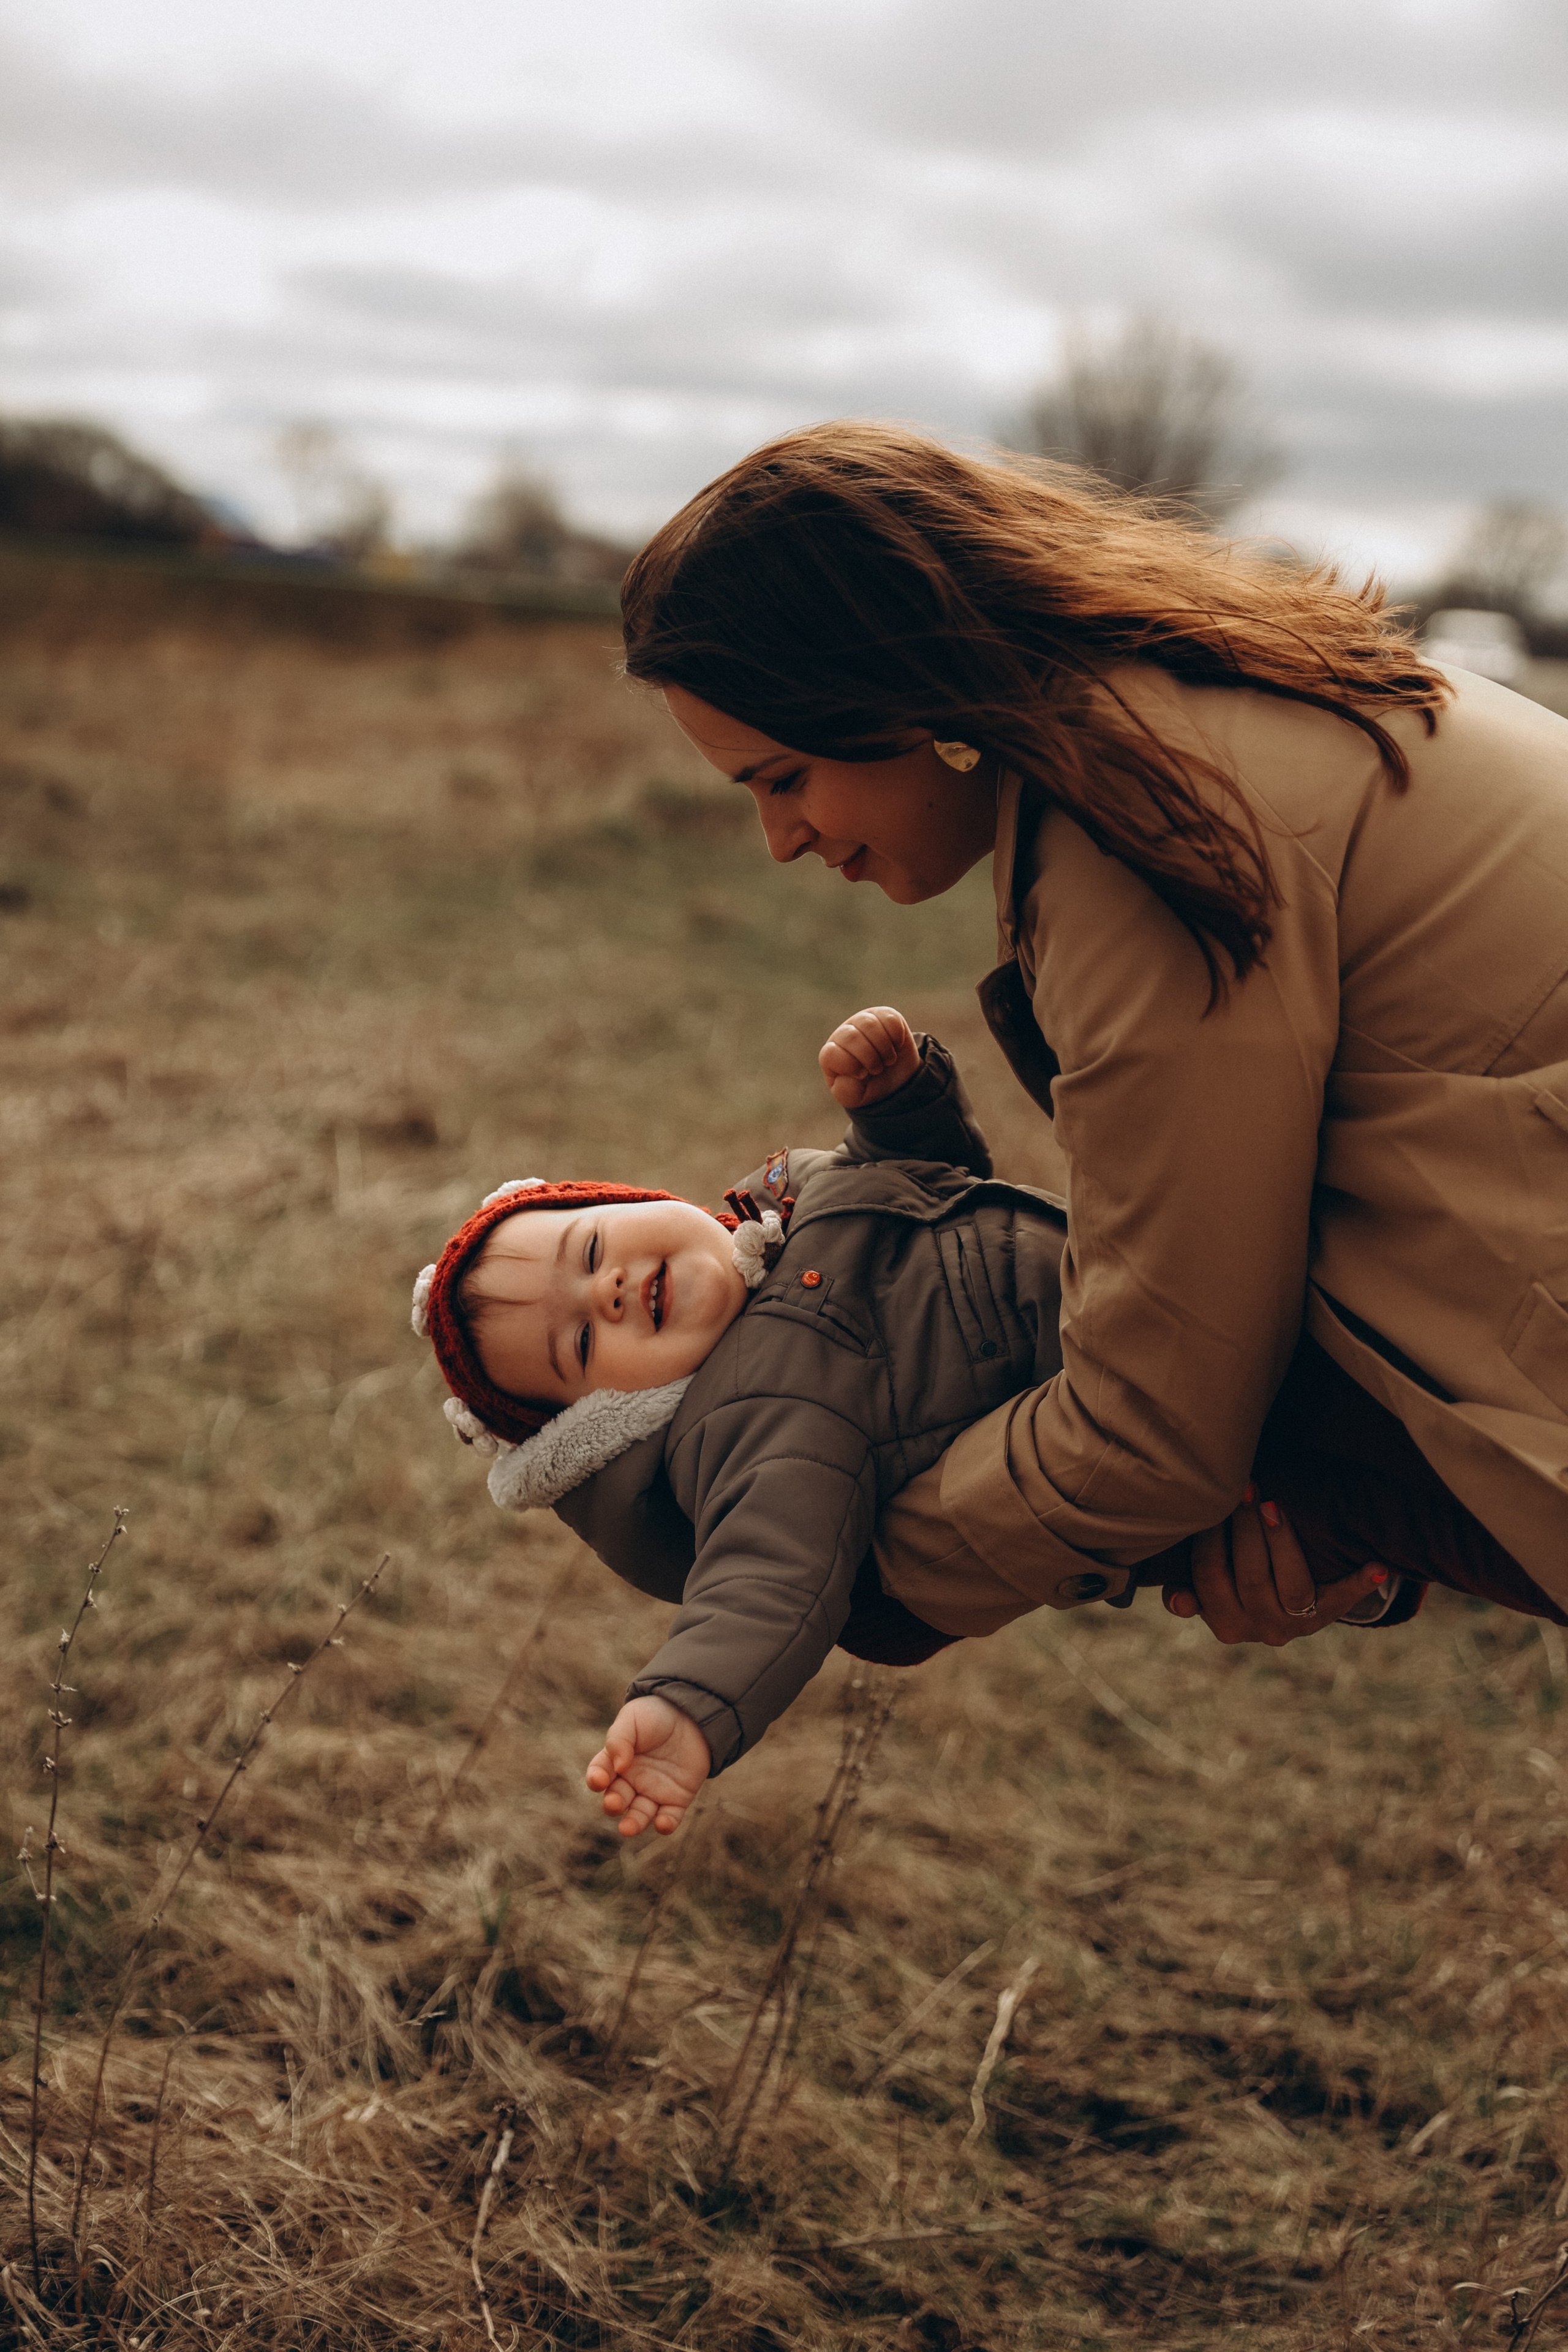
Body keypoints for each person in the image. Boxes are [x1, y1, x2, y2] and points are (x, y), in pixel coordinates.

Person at [617, 421, 1568, 1653]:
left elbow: (1157, 1421)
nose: (778, 839)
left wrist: (845, 1576)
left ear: (894, 691)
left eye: (783, 776)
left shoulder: (1138, 828)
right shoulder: (1183, 697)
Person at [413, 1010, 1552, 1839]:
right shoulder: (760, 1418)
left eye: (593, 1251)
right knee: (1486, 1502)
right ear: (607, 1421)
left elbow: (934, 1186)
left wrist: (901, 1104)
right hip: (1254, 1446)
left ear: (630, 1198)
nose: (607, 1292)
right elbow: (769, 1576)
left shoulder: (793, 1222)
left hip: (1208, 1323)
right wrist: (691, 1707)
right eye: (577, 1345)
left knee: (1479, 1377)